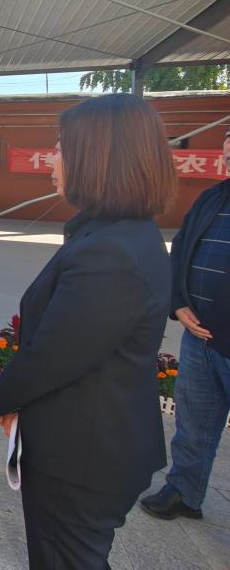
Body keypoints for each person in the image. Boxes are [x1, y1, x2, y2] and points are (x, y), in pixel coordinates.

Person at [0, 93, 177, 570]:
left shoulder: (110, 251)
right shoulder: (118, 234)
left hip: (82, 458)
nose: (53, 160)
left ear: (98, 158)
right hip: (92, 444)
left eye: (61, 148)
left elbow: (55, 352)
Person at [140, 127, 230, 522]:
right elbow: (179, 252)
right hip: (200, 337)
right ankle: (184, 491)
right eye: (228, 143)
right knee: (194, 422)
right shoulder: (212, 198)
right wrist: (177, 304)